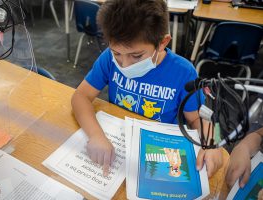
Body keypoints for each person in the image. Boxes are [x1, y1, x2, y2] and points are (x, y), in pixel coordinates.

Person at [71, 0, 222, 176]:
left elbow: (203, 118)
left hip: (158, 149)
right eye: (117, 53)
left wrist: (214, 142)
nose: (125, 64)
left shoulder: (184, 72)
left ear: (162, 42)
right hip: (119, 144)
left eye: (136, 55)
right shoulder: (108, 59)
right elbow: (79, 97)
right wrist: (96, 135)